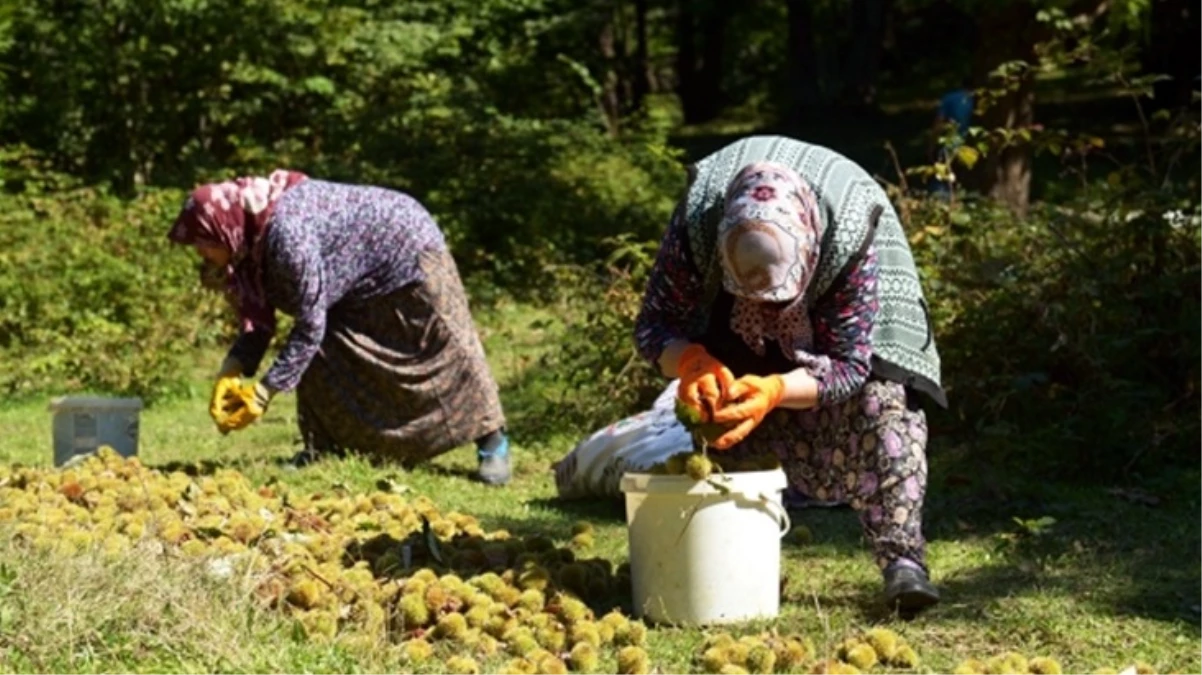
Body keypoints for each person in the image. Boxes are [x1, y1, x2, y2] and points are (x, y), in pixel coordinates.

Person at [633, 135, 947, 615]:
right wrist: (694, 362)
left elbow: (849, 366)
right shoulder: (698, 220)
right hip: (727, 324)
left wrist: (776, 388)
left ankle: (903, 562)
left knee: (884, 407)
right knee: (723, 414)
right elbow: (654, 325)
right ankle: (731, 559)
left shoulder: (849, 234)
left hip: (850, 333)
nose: (765, 314)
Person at [167, 170, 512, 485]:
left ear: (223, 228)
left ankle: (492, 443)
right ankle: (322, 446)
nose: (201, 253)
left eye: (204, 243)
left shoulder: (286, 234)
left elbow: (309, 325)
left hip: (407, 250)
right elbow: (260, 321)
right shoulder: (247, 241)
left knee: (445, 344)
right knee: (320, 355)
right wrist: (231, 370)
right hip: (353, 279)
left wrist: (263, 393)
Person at [930, 78, 975, 196]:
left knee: (942, 174)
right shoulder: (977, 100)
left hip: (949, 141)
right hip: (970, 144)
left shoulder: (949, 98)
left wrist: (932, 143)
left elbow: (939, 122)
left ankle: (940, 198)